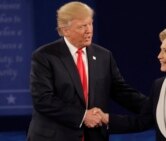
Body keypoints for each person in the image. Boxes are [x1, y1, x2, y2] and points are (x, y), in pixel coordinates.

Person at [27, 1, 147, 141]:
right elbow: (43, 99)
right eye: (82, 26)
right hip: (55, 136)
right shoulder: (45, 56)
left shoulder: (103, 56)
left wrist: (153, 106)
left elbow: (120, 91)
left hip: (93, 136)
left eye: (90, 24)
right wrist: (83, 116)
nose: (89, 30)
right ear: (65, 30)